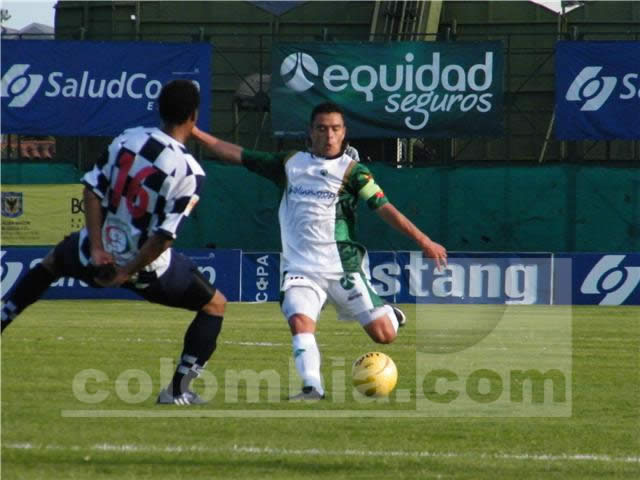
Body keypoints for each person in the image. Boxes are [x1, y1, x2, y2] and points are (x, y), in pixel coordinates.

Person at [191, 102, 447, 400]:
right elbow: (237, 154)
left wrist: (424, 240)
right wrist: (195, 132)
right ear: (310, 132)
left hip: (343, 268)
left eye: (335, 129)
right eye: (322, 128)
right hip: (300, 269)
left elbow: (384, 208)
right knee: (300, 321)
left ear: (344, 133)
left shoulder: (353, 172)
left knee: (384, 335)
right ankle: (313, 386)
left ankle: (391, 313)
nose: (329, 135)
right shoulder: (290, 164)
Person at [1, 79, 226, 406]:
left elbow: (92, 190)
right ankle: (177, 391)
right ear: (194, 115)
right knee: (215, 305)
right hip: (146, 269)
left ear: (159, 109)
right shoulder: (190, 172)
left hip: (94, 251)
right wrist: (126, 271)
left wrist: (95, 248)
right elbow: (163, 238)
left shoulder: (129, 138)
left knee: (49, 264)